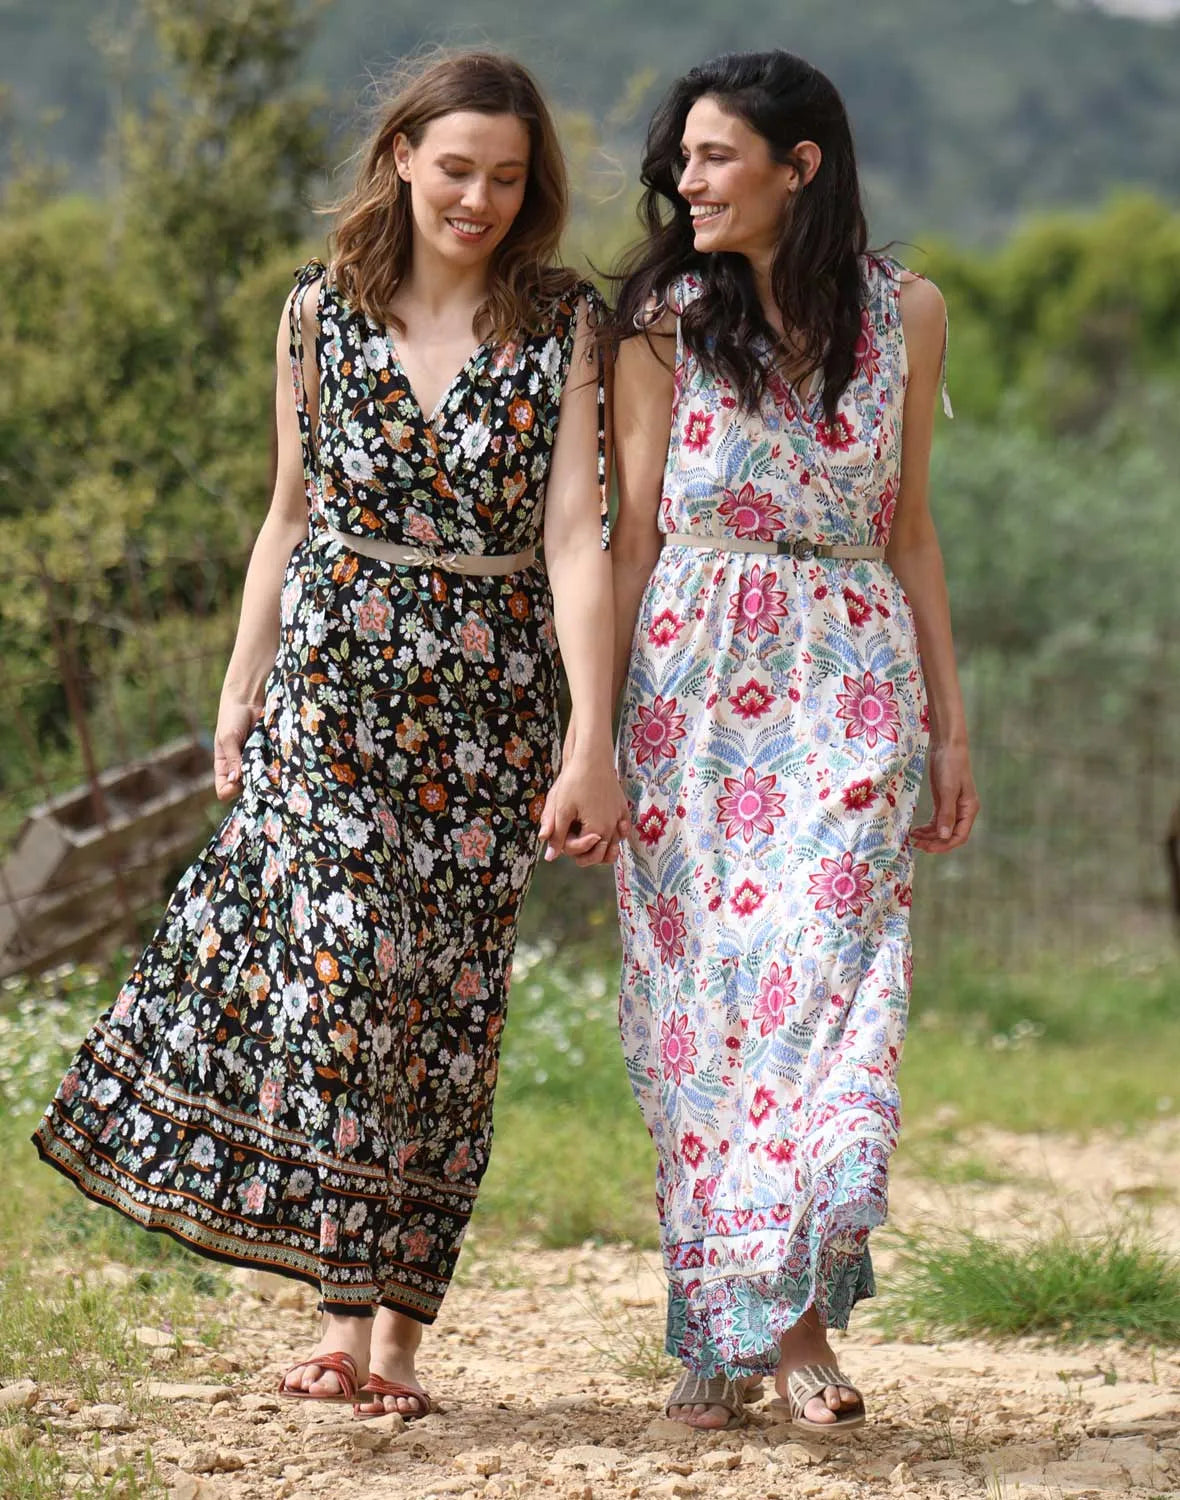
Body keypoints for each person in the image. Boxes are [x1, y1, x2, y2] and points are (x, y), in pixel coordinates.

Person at [33, 50, 627, 1419]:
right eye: (456, 168)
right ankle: (340, 1317)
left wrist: (591, 738)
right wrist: (240, 687)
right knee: (350, 975)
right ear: (403, 156)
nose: (478, 198)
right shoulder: (318, 310)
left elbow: (574, 538)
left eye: (507, 177)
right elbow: (288, 513)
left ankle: (400, 1340)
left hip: (488, 715)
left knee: (445, 1015)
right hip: (330, 697)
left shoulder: (564, 326)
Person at [606, 50, 979, 1433]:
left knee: (826, 990)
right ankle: (721, 1324)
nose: (687, 180)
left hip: (853, 682)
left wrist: (952, 728)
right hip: (690, 691)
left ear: (798, 166)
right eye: (683, 159)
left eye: (715, 156)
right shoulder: (661, 322)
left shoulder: (908, 313)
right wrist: (588, 740)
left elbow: (912, 531)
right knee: (702, 1017)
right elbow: (628, 540)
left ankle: (799, 1326)